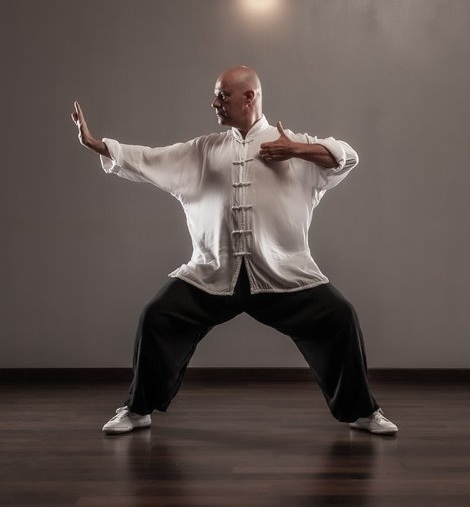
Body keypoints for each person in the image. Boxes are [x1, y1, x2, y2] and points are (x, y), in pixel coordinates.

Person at [71, 65, 398, 436]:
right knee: (157, 317)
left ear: (249, 97)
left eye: (223, 96)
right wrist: (97, 144)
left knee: (340, 317)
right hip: (212, 274)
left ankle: (363, 412)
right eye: (216, 96)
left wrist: (297, 150)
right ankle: (137, 409)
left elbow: (347, 157)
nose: (215, 103)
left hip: (282, 275)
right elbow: (150, 158)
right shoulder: (204, 150)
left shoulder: (292, 145)